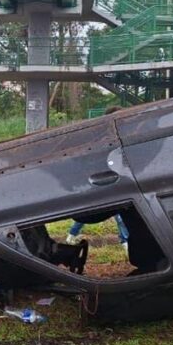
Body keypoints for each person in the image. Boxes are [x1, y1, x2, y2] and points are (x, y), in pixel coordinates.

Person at [66, 105, 126, 248]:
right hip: (103, 179)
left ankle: (71, 234)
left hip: (113, 177)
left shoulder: (117, 133)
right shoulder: (103, 136)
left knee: (117, 212)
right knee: (114, 212)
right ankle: (125, 241)